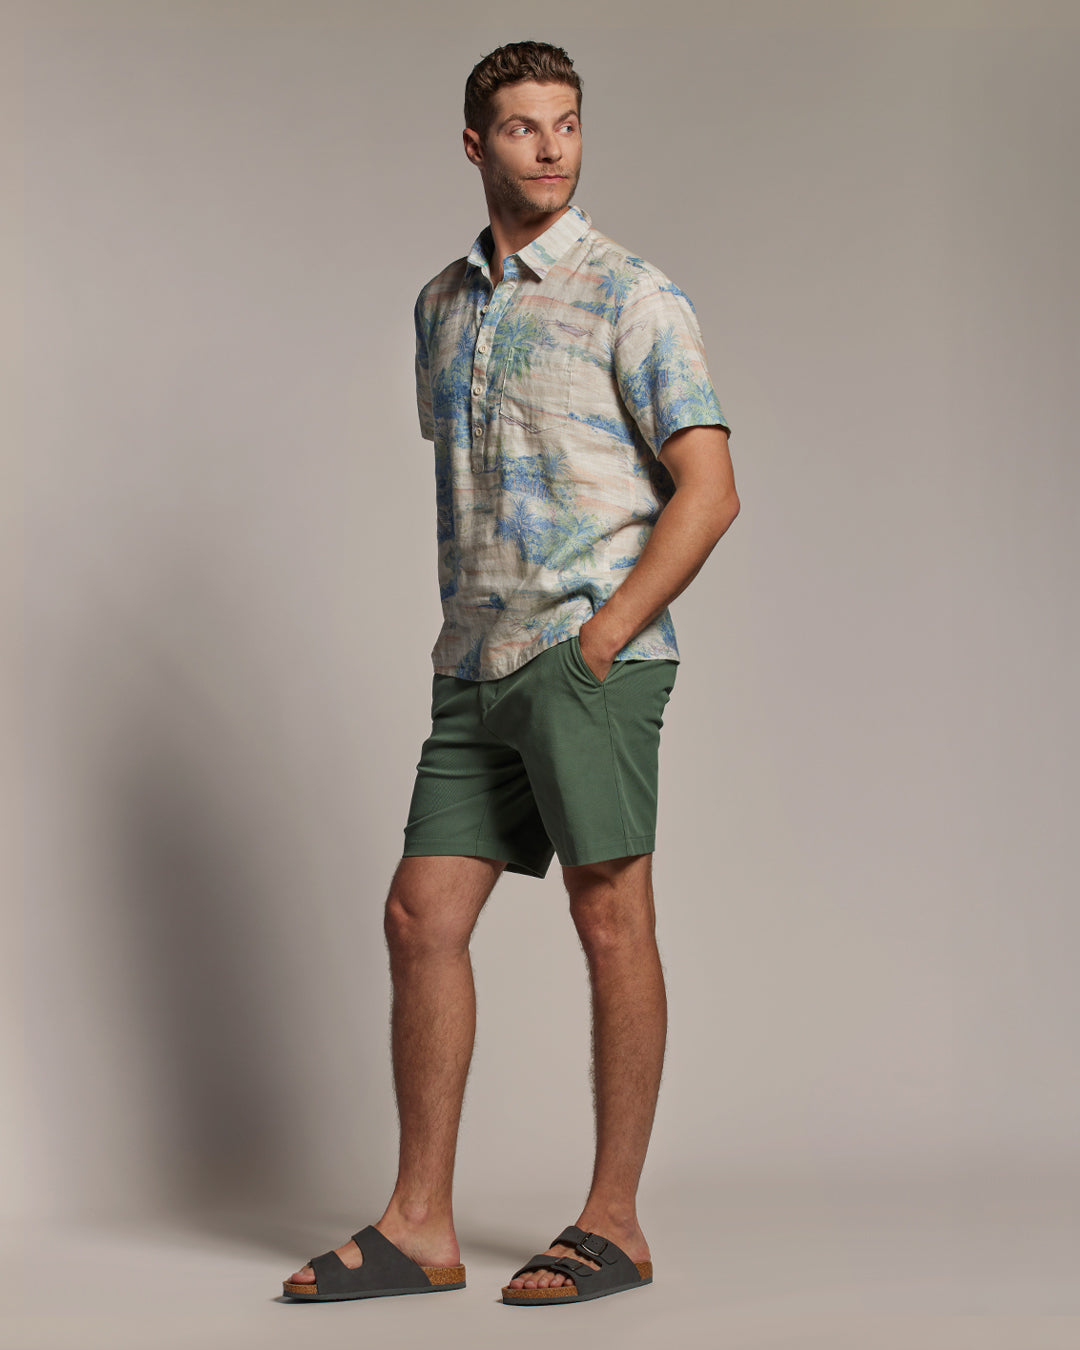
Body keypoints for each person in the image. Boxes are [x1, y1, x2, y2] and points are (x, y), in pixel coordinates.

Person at [283, 39, 739, 1308]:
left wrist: (602, 636)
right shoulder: (440, 305)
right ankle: (419, 1225)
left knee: (611, 915)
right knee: (419, 918)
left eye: (569, 123)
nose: (551, 147)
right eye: (526, 127)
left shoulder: (633, 295)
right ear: (475, 145)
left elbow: (709, 490)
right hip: (473, 662)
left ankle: (616, 1224)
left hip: (589, 656)